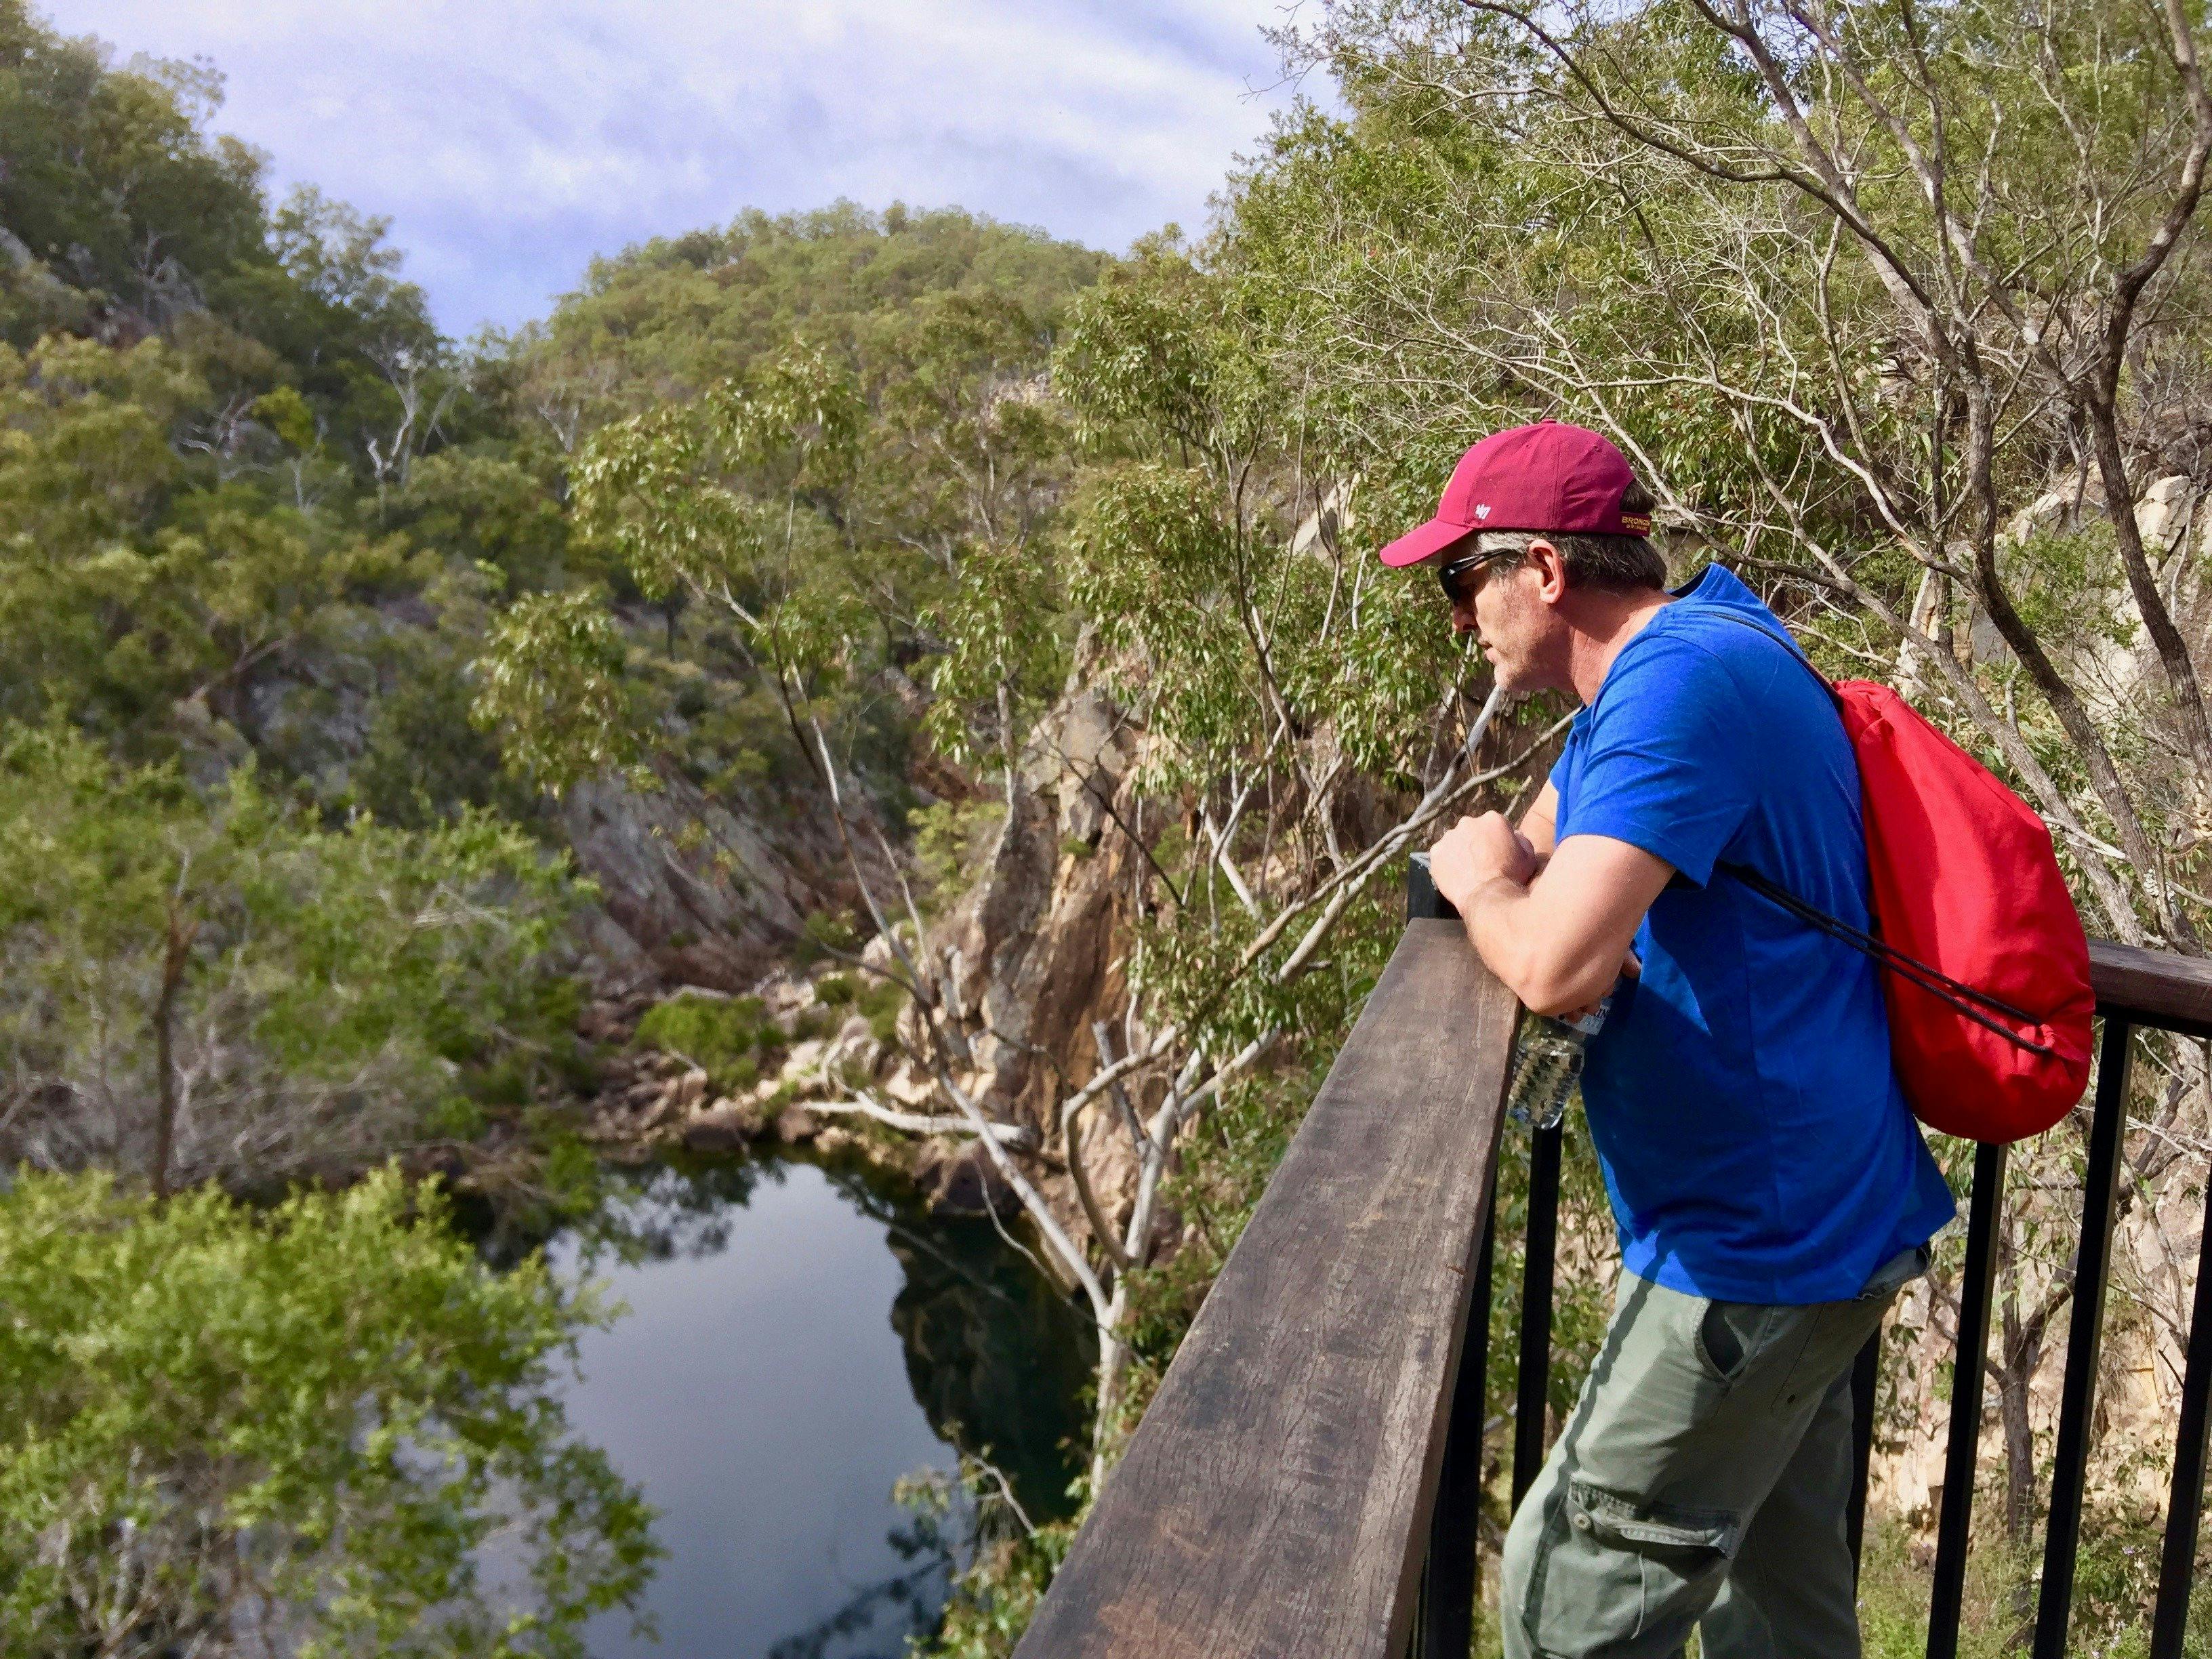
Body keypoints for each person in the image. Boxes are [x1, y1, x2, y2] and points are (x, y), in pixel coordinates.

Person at [1383, 420, 1955, 1658]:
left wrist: (1478, 885)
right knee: (1780, 1614)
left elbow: (1553, 956)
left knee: (1565, 1594)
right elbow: (1551, 848)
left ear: (1542, 570)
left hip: (1761, 1242)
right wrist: (1508, 865)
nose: (1458, 613)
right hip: (1813, 1219)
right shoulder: (1682, 656)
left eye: (1461, 578)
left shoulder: (1680, 688)